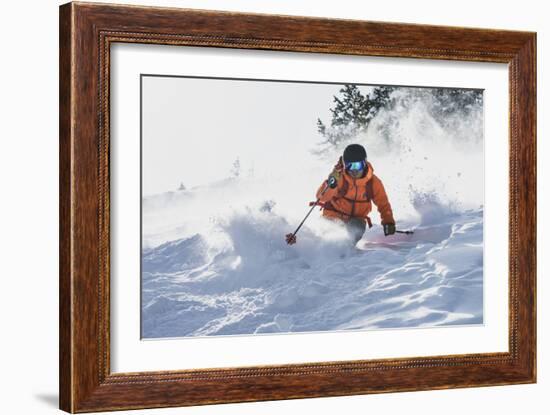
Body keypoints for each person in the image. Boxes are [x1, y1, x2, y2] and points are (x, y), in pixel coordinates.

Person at [316, 144, 396, 244]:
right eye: (350, 166)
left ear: (365, 163)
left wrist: (388, 222)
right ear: (345, 165)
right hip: (333, 215)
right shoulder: (339, 178)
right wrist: (330, 185)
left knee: (355, 228)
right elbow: (321, 197)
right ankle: (325, 249)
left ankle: (344, 250)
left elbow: (383, 203)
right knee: (331, 233)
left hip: (356, 221)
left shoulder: (373, 183)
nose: (354, 170)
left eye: (358, 165)